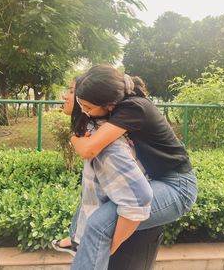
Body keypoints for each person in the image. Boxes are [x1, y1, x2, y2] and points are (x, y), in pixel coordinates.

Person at [55, 65, 198, 270]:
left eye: (87, 106)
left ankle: (87, 247)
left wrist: (106, 248)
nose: (84, 111)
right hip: (157, 178)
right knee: (92, 204)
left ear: (109, 104)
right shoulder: (121, 104)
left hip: (178, 187)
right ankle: (78, 240)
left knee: (99, 226)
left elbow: (89, 149)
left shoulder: (132, 107)